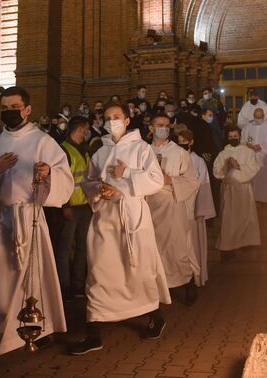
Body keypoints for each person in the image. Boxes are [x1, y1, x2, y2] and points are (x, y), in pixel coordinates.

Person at [0, 86, 74, 372]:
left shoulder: (43, 141)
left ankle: (35, 328)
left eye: (14, 106)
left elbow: (64, 180)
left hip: (29, 219)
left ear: (27, 109)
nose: (8, 111)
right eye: (4, 106)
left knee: (33, 282)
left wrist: (48, 175)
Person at [69, 102, 170, 355]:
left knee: (139, 270)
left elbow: (156, 180)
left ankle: (156, 317)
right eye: (107, 117)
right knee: (100, 271)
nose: (111, 121)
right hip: (105, 216)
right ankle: (94, 333)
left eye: (116, 117)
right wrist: (100, 190)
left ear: (127, 120)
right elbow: (88, 182)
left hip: (132, 215)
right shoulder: (100, 152)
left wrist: (125, 179)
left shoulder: (142, 148)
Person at [146, 115, 201, 304]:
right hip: (148, 205)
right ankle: (156, 289)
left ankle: (187, 282)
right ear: (151, 128)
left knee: (176, 247)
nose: (164, 129)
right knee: (153, 249)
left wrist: (171, 180)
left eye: (167, 126)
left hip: (171, 203)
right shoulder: (143, 151)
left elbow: (193, 180)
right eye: (160, 125)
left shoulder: (179, 152)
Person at [57, 116, 92, 298]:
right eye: (86, 128)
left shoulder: (84, 149)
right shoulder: (64, 149)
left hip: (85, 205)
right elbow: (62, 180)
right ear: (80, 129)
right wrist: (65, 205)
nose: (88, 132)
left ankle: (78, 284)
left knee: (82, 246)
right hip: (70, 206)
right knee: (65, 248)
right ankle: (64, 287)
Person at [214, 127, 261, 258]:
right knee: (228, 218)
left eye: (235, 136)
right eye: (230, 137)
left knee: (246, 216)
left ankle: (247, 242)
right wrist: (226, 164)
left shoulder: (248, 151)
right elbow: (217, 171)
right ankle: (228, 246)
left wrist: (238, 166)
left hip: (244, 189)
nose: (233, 139)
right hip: (229, 189)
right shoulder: (223, 153)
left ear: (239, 136)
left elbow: (253, 168)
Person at [177, 130, 216, 286]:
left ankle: (195, 276)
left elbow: (204, 185)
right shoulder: (174, 159)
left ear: (191, 142)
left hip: (193, 208)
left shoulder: (198, 161)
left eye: (184, 141)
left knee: (194, 242)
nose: (181, 144)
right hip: (177, 207)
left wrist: (201, 210)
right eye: (179, 141)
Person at [241, 108, 267, 203]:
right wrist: (249, 145)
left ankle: (264, 199)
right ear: (253, 116)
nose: (258, 119)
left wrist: (260, 147)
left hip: (264, 155)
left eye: (259, 117)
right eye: (256, 117)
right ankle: (252, 198)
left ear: (263, 116)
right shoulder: (247, 127)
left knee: (263, 178)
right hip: (250, 155)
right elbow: (243, 140)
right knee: (251, 178)